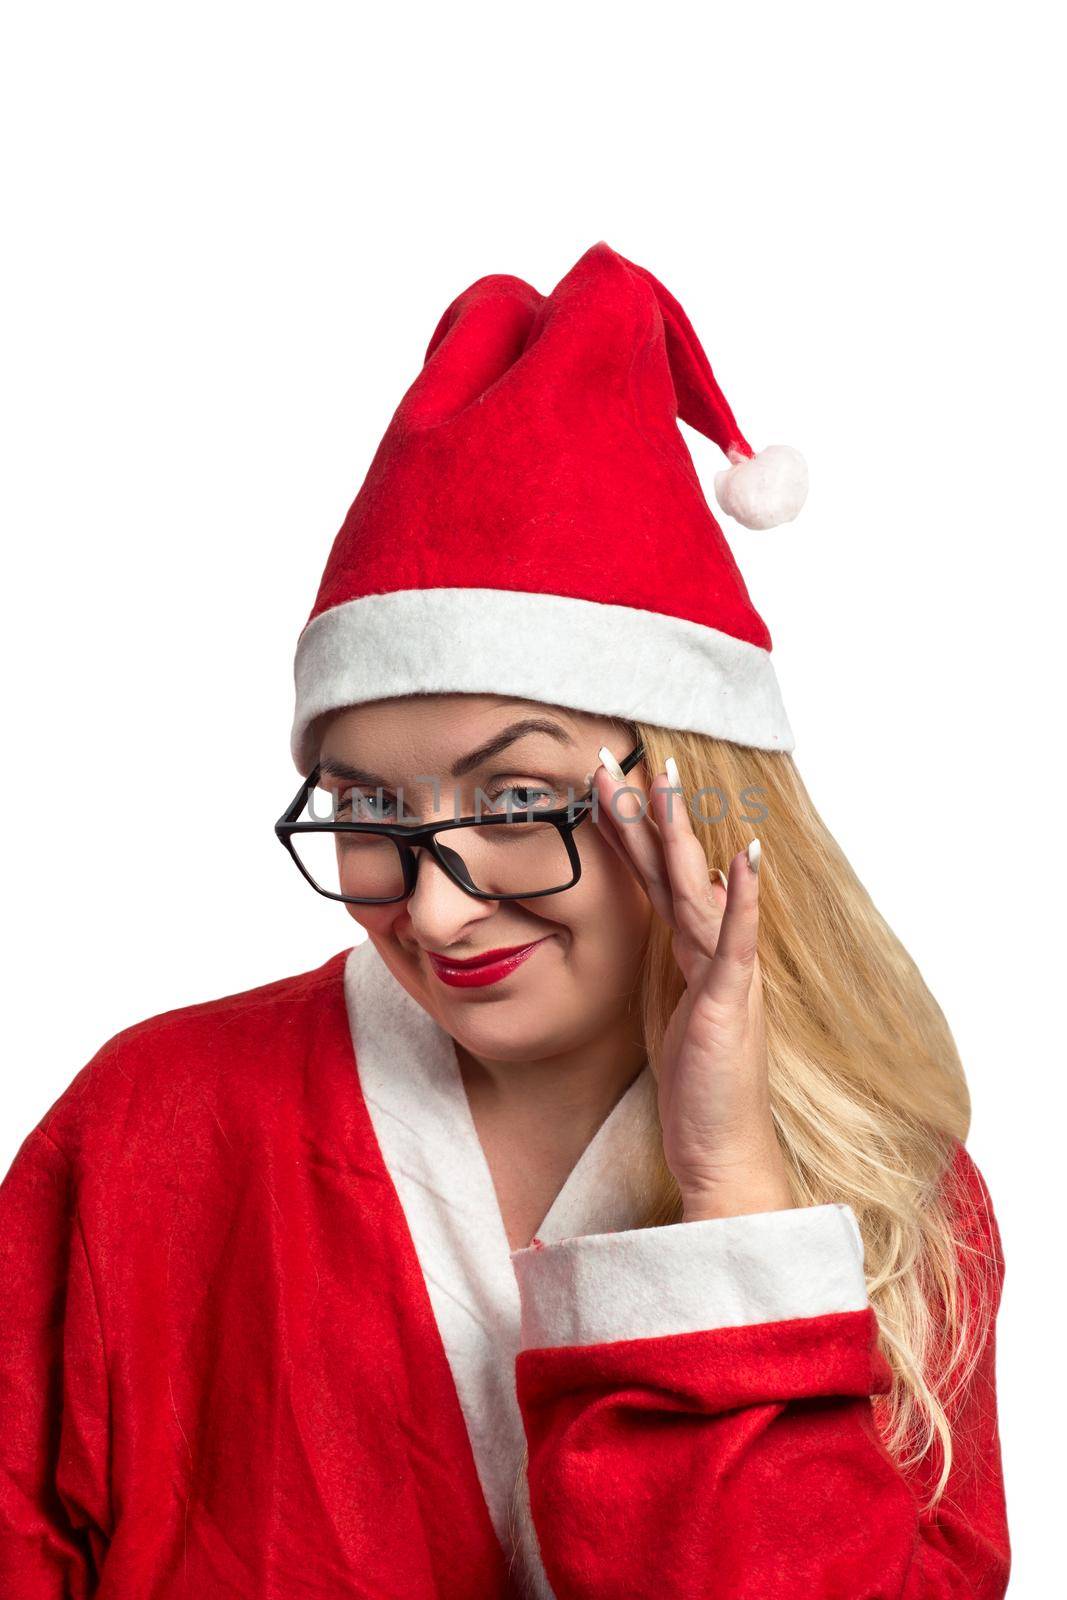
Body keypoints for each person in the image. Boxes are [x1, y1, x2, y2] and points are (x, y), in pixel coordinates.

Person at [0, 242, 1010, 1599]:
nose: (428, 903)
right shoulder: (149, 1123)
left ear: (693, 792)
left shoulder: (896, 1199)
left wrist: (733, 1204)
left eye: (519, 796)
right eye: (367, 807)